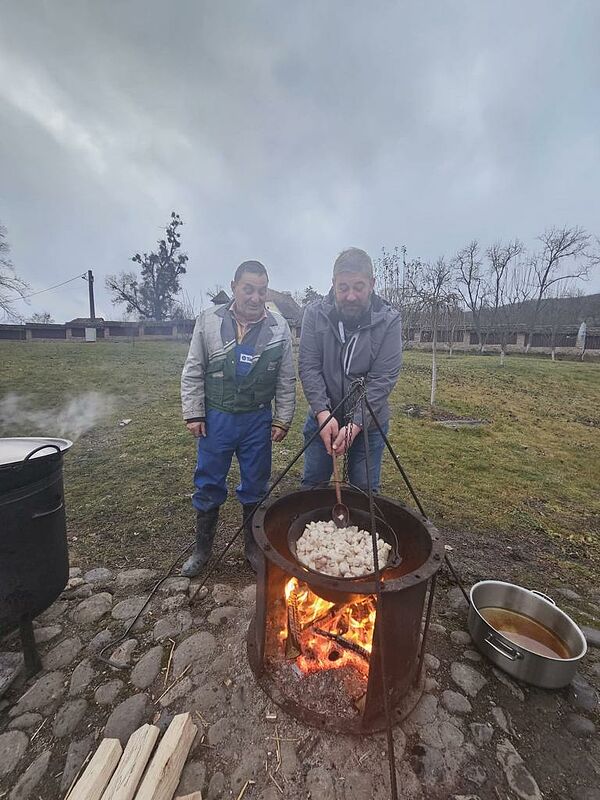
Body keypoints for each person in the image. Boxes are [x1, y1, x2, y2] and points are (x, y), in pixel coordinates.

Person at [180, 260, 296, 576]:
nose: (255, 297)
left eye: (261, 291)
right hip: (216, 418)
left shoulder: (279, 327)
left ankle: (253, 550)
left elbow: (286, 378)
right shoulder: (207, 321)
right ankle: (202, 550)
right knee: (208, 481)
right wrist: (194, 413)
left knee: (256, 485)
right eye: (248, 289)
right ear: (234, 287)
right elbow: (193, 369)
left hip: (257, 420)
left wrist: (282, 418)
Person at [298, 247, 402, 493]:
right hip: (323, 417)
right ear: (333, 283)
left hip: (369, 423)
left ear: (372, 284)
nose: (351, 296)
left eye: (359, 287)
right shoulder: (314, 314)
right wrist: (323, 413)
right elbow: (309, 367)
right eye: (343, 288)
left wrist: (356, 424)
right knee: (312, 486)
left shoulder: (388, 320)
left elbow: (382, 379)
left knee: (364, 492)